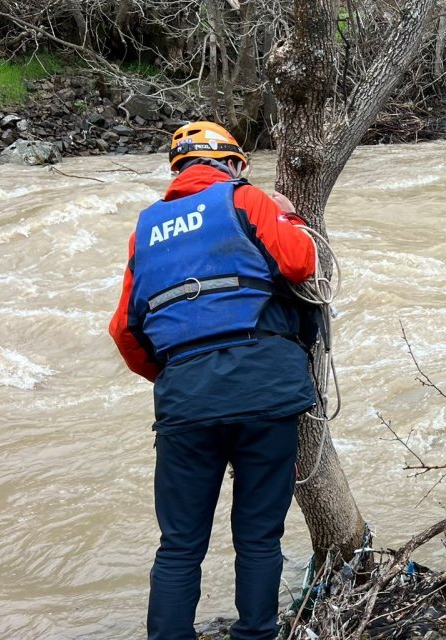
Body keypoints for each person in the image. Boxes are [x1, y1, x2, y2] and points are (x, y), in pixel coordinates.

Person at [108, 121, 319, 640]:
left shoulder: (145, 230)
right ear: (234, 164)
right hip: (267, 394)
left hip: (185, 402)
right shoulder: (247, 200)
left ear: (177, 170)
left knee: (179, 546)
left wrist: (179, 373)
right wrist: (289, 216)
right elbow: (301, 261)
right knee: (258, 538)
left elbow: (125, 331)